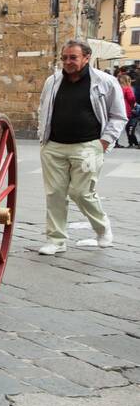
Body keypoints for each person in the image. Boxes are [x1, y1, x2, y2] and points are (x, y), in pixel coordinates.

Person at [36, 39, 127, 254]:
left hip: (88, 146)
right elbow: (43, 107)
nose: (68, 62)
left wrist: (104, 142)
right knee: (55, 194)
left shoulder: (105, 81)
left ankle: (103, 229)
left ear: (87, 58)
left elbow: (119, 116)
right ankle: (56, 240)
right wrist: (43, 137)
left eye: (73, 57)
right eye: (64, 57)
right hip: (54, 146)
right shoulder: (53, 81)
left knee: (81, 192)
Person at [120, 73, 137, 147]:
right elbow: (132, 99)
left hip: (125, 110)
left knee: (129, 128)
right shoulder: (128, 89)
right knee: (129, 128)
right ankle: (133, 143)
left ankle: (132, 143)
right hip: (128, 111)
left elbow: (131, 99)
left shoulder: (122, 89)